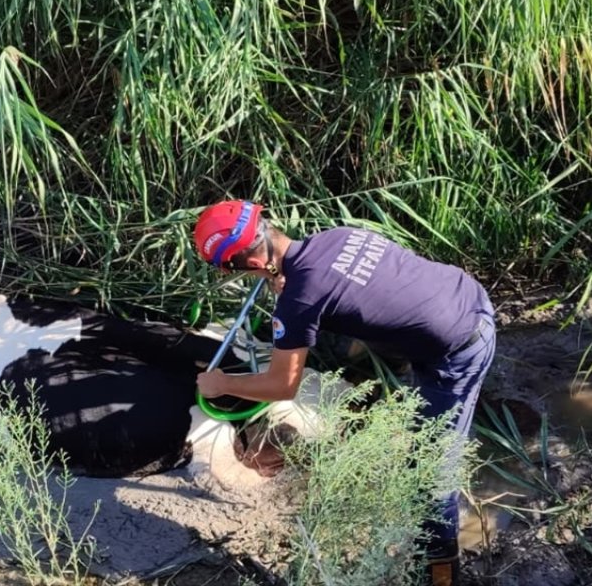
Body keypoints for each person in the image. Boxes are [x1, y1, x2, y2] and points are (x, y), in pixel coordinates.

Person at [192, 200, 496, 586]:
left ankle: (440, 576)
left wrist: (221, 385)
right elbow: (357, 283)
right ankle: (399, 378)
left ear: (251, 264)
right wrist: (290, 293)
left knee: (430, 475)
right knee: (350, 336)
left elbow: (282, 386)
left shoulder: (300, 299)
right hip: (465, 296)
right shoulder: (334, 238)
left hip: (457, 349)